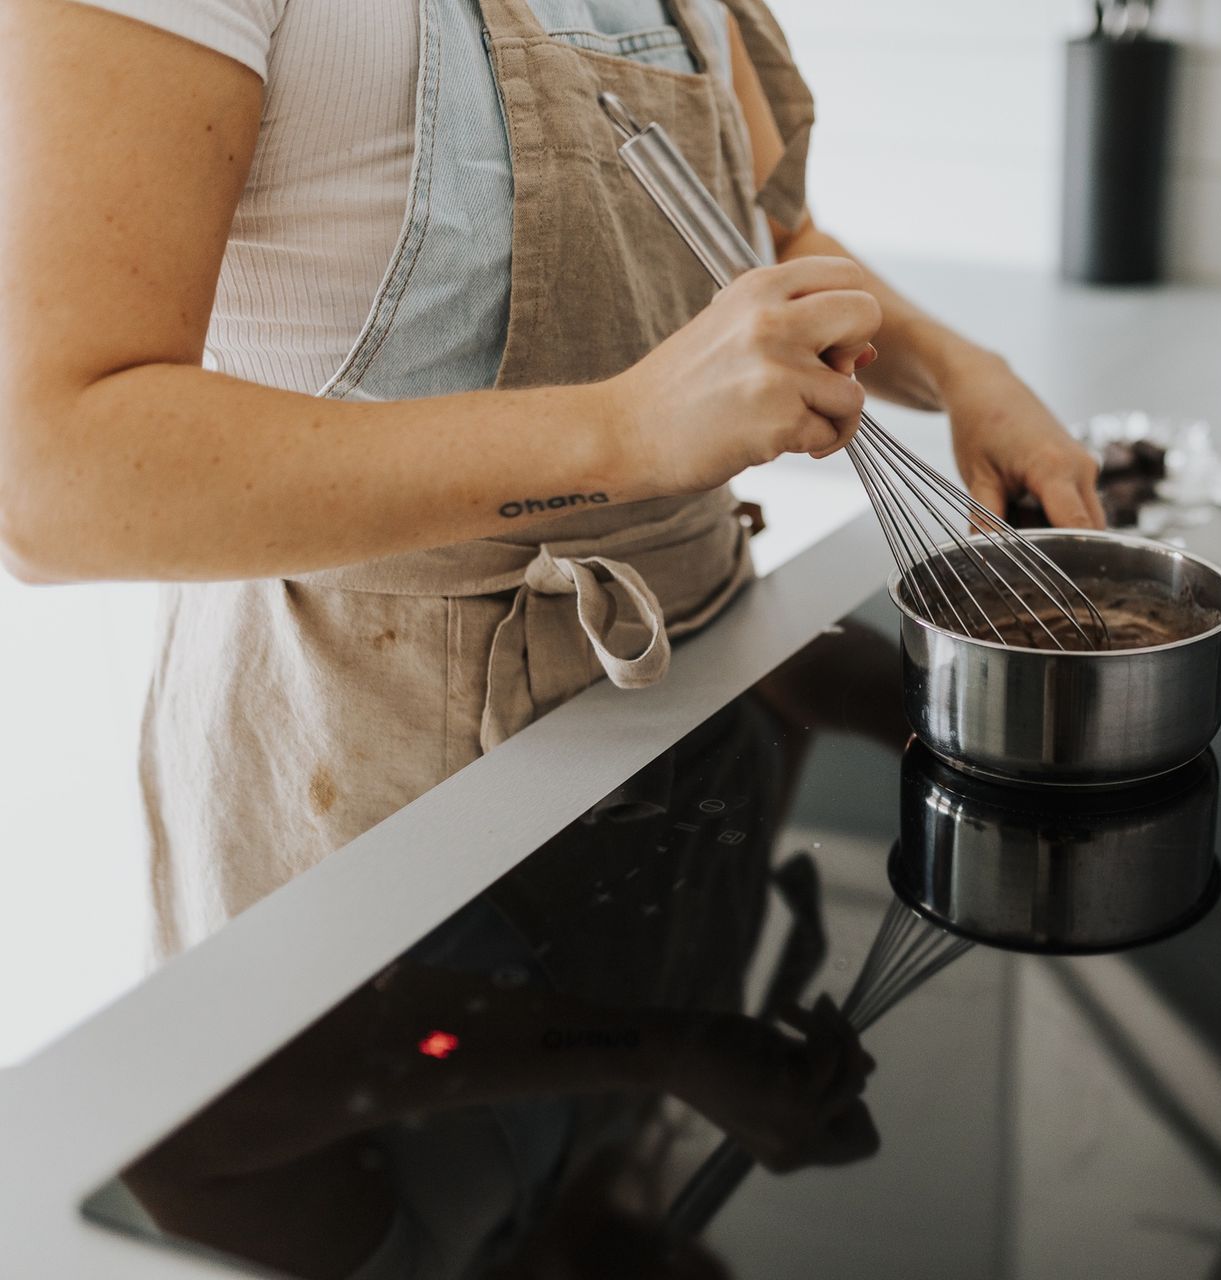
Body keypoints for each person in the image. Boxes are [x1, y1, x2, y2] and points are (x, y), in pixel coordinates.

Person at [0, 0, 1103, 954]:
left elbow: (761, 235)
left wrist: (963, 371)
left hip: (697, 727)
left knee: (626, 1139)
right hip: (364, 781)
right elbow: (51, 475)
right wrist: (623, 429)